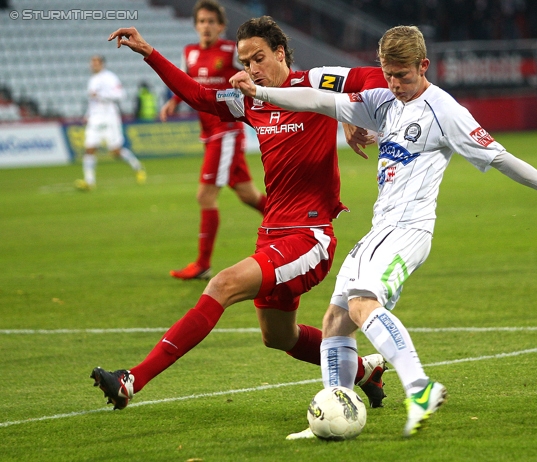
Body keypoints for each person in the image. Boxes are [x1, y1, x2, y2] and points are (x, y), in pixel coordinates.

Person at [230, 25, 537, 438]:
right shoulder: (384, 100)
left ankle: (419, 387)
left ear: (423, 66)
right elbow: (318, 99)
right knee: (334, 320)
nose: (395, 84)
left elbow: (500, 158)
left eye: (403, 75)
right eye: (388, 74)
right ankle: (335, 410)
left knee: (361, 303)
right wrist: (260, 93)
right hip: (381, 228)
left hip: (409, 228)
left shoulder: (445, 110)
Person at [91, 17, 390, 415]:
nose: (251, 68)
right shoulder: (252, 98)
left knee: (223, 283)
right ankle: (363, 371)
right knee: (279, 338)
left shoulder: (316, 81)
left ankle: (133, 380)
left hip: (309, 236)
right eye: (245, 61)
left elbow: (373, 77)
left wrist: (355, 116)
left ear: (280, 53)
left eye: (259, 58)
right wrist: (149, 53)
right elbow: (199, 96)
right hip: (271, 234)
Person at [161, 0, 267, 280]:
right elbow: (187, 81)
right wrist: (173, 101)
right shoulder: (190, 53)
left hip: (226, 132)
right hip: (209, 134)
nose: (206, 26)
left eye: (211, 21)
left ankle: (203, 263)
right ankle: (293, 222)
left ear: (221, 26)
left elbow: (253, 77)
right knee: (248, 195)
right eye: (201, 21)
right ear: (195, 25)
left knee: (205, 196)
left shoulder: (231, 52)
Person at [75, 55, 146, 191]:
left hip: (109, 118)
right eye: (92, 63)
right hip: (95, 119)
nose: (93, 65)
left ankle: (137, 167)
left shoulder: (110, 77)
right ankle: (89, 182)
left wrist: (102, 96)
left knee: (115, 152)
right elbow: (92, 101)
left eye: (96, 63)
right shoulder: (92, 80)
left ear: (102, 64)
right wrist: (87, 115)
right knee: (89, 148)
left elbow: (121, 95)